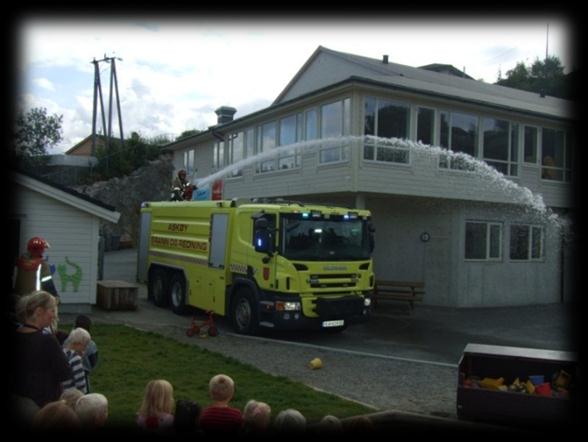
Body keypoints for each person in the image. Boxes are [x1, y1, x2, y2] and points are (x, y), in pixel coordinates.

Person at [10, 291, 72, 408]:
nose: (54, 316)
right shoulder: (47, 341)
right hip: (43, 406)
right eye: (52, 311)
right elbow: (65, 373)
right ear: (39, 312)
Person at [62, 327, 91, 394]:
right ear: (77, 343)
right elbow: (80, 384)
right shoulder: (75, 358)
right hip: (72, 395)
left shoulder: (61, 352)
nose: (85, 349)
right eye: (84, 345)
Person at [74, 315, 99, 392]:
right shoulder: (91, 344)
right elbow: (94, 361)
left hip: (69, 373)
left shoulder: (68, 341)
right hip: (84, 374)